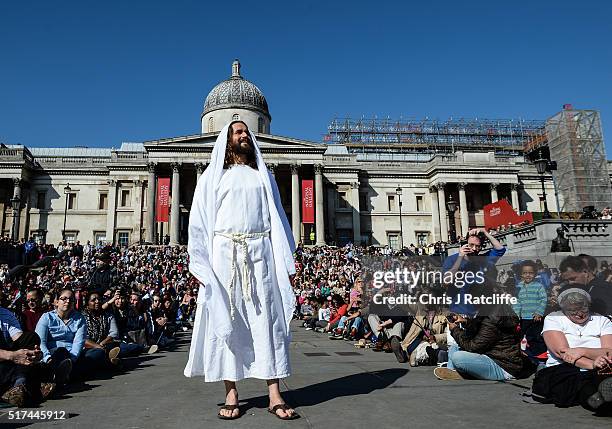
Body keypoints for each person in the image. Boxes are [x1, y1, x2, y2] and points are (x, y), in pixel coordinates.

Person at [184, 121, 299, 420]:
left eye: (247, 131)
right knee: (227, 323)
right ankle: (231, 392)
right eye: (238, 131)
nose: (244, 135)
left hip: (261, 254)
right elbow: (198, 222)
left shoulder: (264, 176)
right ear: (226, 138)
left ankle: (274, 392)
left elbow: (278, 219)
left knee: (268, 323)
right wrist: (200, 263)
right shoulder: (212, 176)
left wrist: (285, 262)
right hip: (224, 256)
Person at [531, 288, 612, 412]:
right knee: (583, 385)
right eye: (572, 311)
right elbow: (562, 352)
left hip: (601, 367)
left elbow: (609, 351)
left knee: (601, 378)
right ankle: (600, 403)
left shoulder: (602, 320)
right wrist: (592, 364)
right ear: (563, 309)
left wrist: (582, 351)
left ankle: (604, 397)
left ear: (588, 305)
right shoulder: (554, 318)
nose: (579, 314)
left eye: (583, 309)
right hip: (565, 368)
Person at [434, 285, 533, 381]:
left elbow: (473, 346)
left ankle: (457, 371)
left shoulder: (492, 317)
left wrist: (455, 330)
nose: (471, 302)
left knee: (457, 357)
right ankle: (452, 371)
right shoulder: (494, 309)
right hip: (493, 355)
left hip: (503, 366)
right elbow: (483, 330)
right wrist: (466, 322)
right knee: (454, 347)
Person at [512, 260, 547, 359]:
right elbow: (517, 302)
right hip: (524, 318)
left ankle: (540, 354)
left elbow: (543, 299)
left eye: (531, 273)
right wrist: (516, 315)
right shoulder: (518, 287)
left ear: (535, 274)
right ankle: (526, 354)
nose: (528, 275)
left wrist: (539, 312)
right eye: (525, 273)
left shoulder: (539, 286)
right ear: (521, 274)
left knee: (536, 336)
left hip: (536, 318)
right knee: (523, 336)